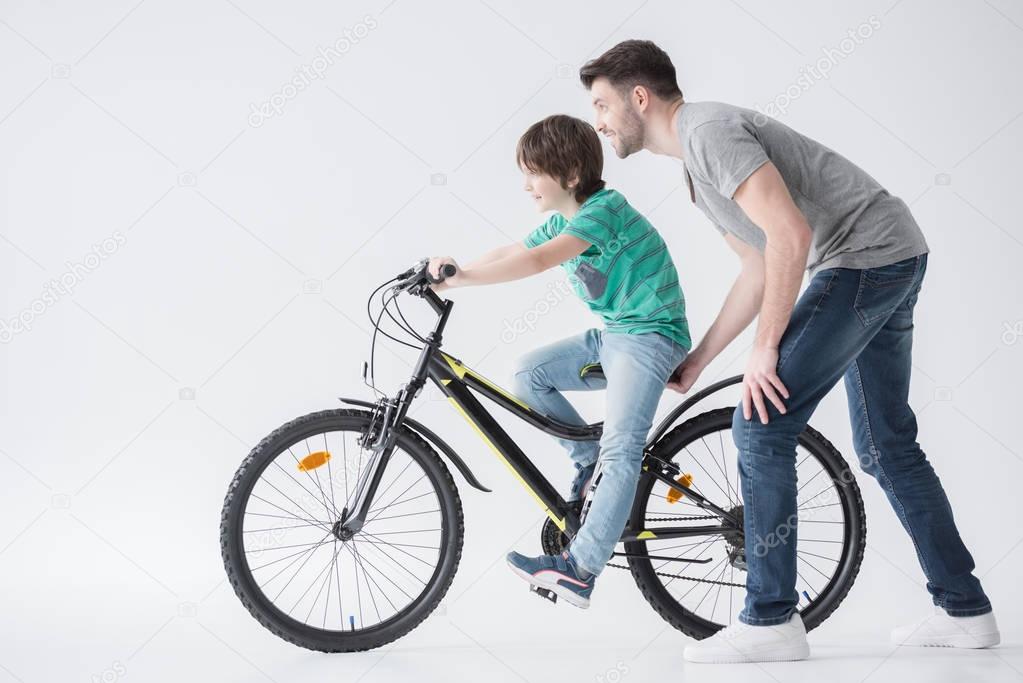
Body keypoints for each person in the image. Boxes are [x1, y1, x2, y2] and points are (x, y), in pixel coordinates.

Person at [577, 39, 998, 662]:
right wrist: (702, 359)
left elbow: (791, 236)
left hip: (864, 259)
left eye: (603, 105)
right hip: (888, 255)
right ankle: (967, 612)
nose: (599, 122)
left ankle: (771, 618)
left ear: (640, 97)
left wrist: (766, 348)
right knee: (886, 446)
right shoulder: (695, 169)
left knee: (760, 426)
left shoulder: (709, 132)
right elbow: (756, 268)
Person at [428, 114, 690, 608]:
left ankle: (580, 570)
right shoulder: (563, 219)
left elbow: (535, 261)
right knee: (529, 374)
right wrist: (456, 268)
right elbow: (514, 248)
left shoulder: (602, 211)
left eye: (533, 173)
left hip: (652, 337)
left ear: (569, 175)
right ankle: (586, 461)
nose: (526, 185)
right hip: (614, 337)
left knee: (622, 448)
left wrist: (460, 284)